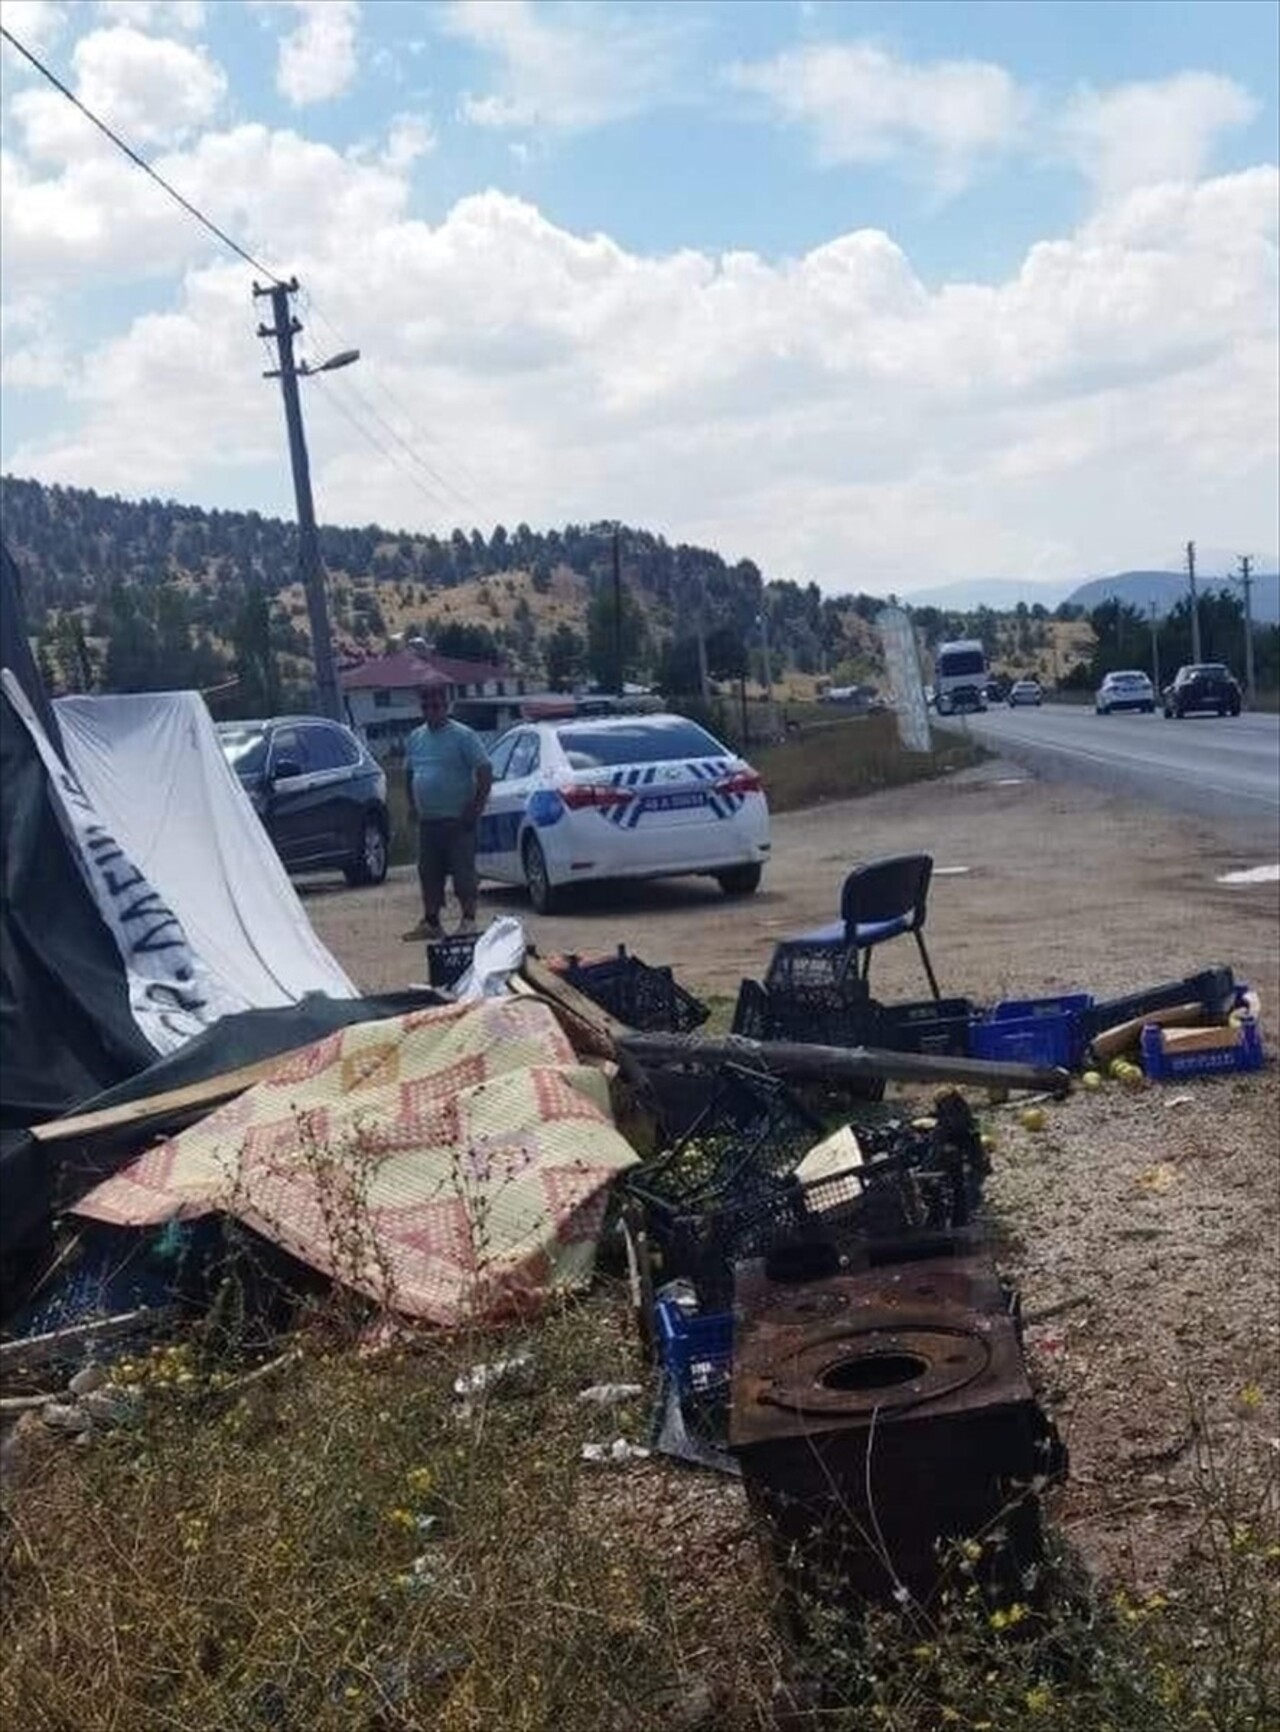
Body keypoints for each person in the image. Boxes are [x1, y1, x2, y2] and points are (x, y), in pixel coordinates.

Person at [401, 680, 493, 942]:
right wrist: (411, 805)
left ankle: (468, 921)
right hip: (429, 820)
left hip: (458, 819)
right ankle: (431, 921)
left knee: (463, 871)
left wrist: (475, 809)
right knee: (428, 872)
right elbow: (410, 772)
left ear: (446, 706)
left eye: (436, 705)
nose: (431, 710)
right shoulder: (416, 737)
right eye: (426, 706)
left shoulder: (463, 736)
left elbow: (484, 771)